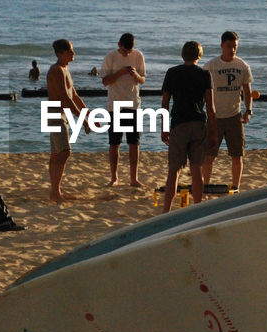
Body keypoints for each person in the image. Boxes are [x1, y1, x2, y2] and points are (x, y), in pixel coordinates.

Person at [159, 40, 217, 212]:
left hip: (179, 123)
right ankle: (197, 208)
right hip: (198, 123)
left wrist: (164, 127)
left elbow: (165, 103)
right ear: (199, 56)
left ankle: (166, 210)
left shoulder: (172, 73)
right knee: (196, 169)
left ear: (182, 55)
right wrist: (213, 132)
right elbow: (211, 107)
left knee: (174, 170)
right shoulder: (204, 75)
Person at [201, 31, 253, 190]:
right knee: (209, 155)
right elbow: (202, 91)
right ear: (222, 45)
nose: (232, 50)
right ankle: (205, 185)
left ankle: (236, 186)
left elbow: (248, 91)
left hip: (234, 116)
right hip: (214, 116)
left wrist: (248, 110)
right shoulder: (211, 66)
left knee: (237, 155)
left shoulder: (242, 66)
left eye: (235, 47)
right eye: (229, 46)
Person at [100, 32, 147, 187]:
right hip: (115, 105)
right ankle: (114, 178)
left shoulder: (138, 55)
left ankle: (133, 178)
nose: (127, 54)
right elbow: (105, 81)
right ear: (119, 44)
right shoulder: (110, 57)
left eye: (129, 51)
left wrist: (135, 75)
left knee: (134, 143)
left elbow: (143, 80)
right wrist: (120, 73)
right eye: (125, 51)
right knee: (115, 143)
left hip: (134, 104)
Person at [46, 39, 89, 203]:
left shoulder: (65, 69)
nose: (73, 54)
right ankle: (55, 192)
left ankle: (55, 192)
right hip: (55, 112)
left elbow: (74, 95)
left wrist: (87, 113)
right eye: (70, 51)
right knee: (64, 152)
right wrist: (83, 121)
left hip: (60, 113)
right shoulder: (56, 70)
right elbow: (65, 98)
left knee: (57, 153)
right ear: (60, 53)